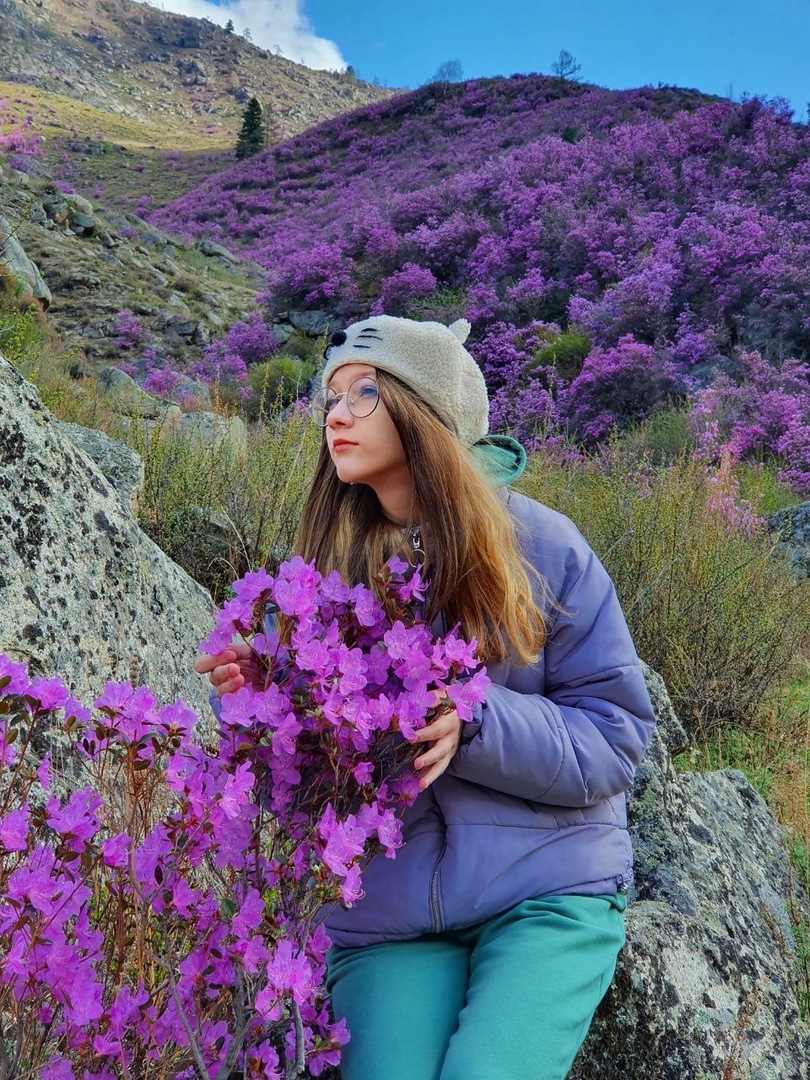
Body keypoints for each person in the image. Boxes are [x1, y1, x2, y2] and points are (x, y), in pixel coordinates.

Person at [195, 315, 657, 1080]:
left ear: (426, 413)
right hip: (390, 919)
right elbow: (298, 801)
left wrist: (473, 721)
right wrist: (258, 708)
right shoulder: (318, 575)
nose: (336, 414)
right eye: (331, 396)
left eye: (365, 393)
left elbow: (615, 738)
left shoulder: (543, 549)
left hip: (547, 889)